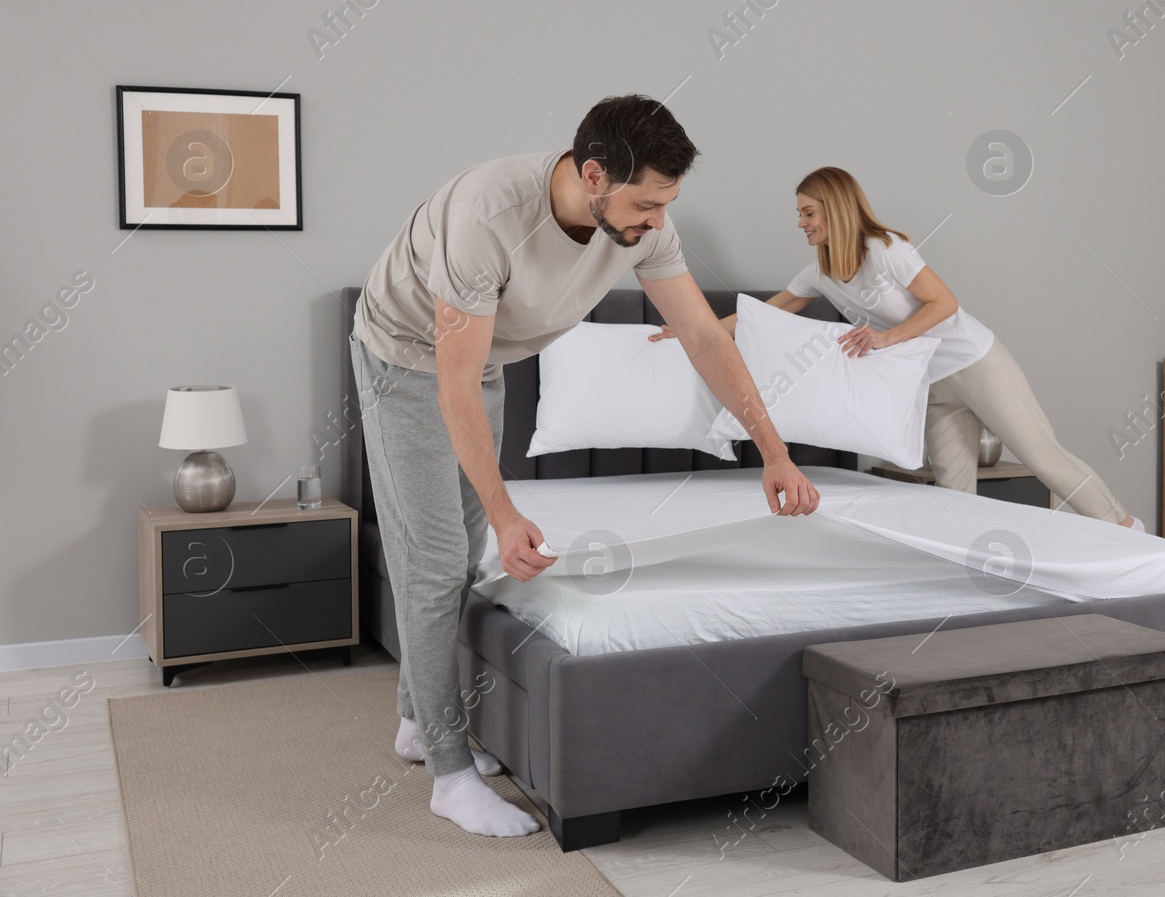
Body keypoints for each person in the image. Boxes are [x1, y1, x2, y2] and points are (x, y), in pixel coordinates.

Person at [350, 95, 820, 838]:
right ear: (594, 174)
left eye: (667, 203)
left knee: (464, 556)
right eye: (646, 202)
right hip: (403, 356)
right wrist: (509, 514)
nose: (658, 220)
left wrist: (775, 452)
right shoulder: (487, 216)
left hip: (489, 360)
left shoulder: (643, 230)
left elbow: (703, 336)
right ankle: (447, 771)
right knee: (435, 560)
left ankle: (418, 719)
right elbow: (452, 384)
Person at [659, 166, 1139, 530]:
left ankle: (1128, 531)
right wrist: (688, 328)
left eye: (808, 212)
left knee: (1043, 457)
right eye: (800, 214)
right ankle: (965, 571)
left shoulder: (886, 249)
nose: (800, 223)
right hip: (929, 383)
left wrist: (886, 339)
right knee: (954, 488)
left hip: (975, 364)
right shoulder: (820, 272)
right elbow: (766, 312)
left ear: (835, 209)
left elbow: (945, 303)